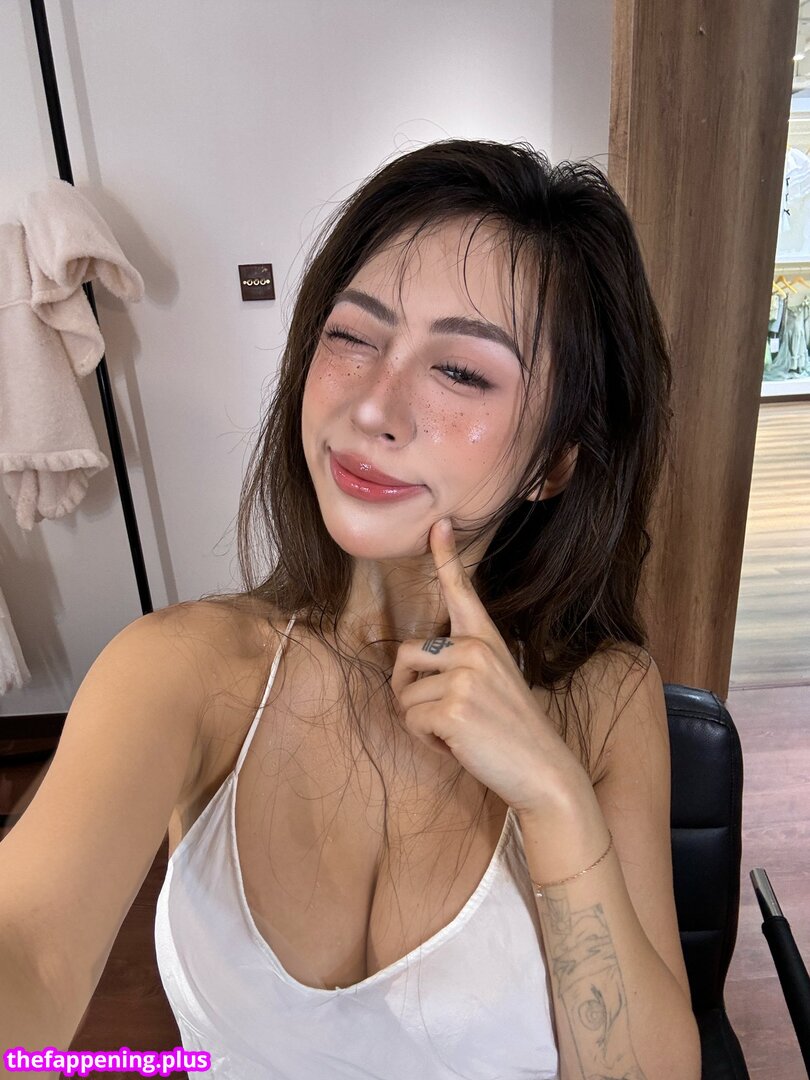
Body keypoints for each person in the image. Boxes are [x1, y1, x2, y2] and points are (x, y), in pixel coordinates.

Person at [0, 139, 701, 1080]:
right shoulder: (184, 671)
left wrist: (554, 797)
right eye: (353, 337)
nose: (372, 406)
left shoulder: (607, 700)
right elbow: (30, 945)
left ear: (555, 462)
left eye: (462, 373)